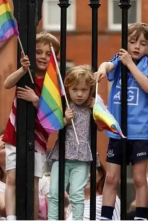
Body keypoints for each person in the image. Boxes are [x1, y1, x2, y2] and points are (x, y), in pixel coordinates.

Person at [95, 22, 148, 221]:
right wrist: (102, 70)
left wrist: (130, 63)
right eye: (132, 42)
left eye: (142, 43)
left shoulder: (146, 62)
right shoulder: (120, 58)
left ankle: (141, 216)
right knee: (112, 177)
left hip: (140, 131)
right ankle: (106, 216)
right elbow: (108, 64)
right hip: (117, 130)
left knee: (139, 178)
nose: (136, 46)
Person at [2, 31, 60, 221]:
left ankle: (33, 218)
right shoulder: (25, 74)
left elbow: (54, 115)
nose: (43, 57)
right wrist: (21, 69)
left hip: (38, 139)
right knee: (12, 178)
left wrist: (36, 100)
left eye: (48, 53)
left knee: (34, 182)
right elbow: (6, 83)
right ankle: (11, 217)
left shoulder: (54, 82)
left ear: (55, 57)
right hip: (15, 134)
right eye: (38, 52)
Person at [47, 65, 97, 221]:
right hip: (61, 155)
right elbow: (52, 126)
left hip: (82, 157)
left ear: (90, 90)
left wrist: (97, 110)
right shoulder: (64, 106)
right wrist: (65, 120)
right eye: (75, 90)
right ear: (68, 89)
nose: (80, 94)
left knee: (77, 194)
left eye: (84, 90)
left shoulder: (91, 107)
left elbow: (102, 128)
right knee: (54, 192)